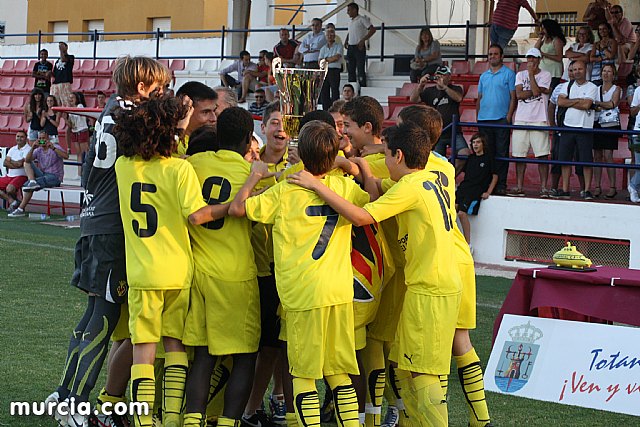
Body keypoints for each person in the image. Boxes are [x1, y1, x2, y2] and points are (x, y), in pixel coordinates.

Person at [287, 122, 462, 427]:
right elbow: (374, 188)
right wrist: (358, 167)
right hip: (439, 282)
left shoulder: (409, 188)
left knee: (424, 373)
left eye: (387, 157)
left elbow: (360, 216)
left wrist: (318, 185)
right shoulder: (428, 179)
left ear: (398, 155)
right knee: (411, 369)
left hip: (429, 287)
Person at [42, 56, 173, 427]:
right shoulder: (134, 116)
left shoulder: (110, 111)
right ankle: (76, 405)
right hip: (111, 227)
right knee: (104, 316)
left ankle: (65, 392)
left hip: (93, 219)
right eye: (159, 87)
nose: (163, 94)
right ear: (144, 87)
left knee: (92, 314)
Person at [230, 120, 365, 427]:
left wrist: (252, 179)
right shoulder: (343, 187)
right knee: (338, 372)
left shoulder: (286, 191)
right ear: (332, 157)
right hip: (339, 293)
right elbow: (368, 202)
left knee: (303, 374)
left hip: (303, 295)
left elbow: (239, 209)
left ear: (300, 154)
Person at [113, 96, 229, 427]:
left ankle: (143, 419)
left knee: (144, 349)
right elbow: (196, 216)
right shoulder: (180, 168)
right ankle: (174, 417)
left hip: (142, 273)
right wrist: (231, 205)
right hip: (177, 271)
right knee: (175, 344)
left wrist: (172, 126)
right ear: (172, 135)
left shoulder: (124, 166)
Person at [182, 107, 261, 427]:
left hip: (197, 271)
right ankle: (229, 422)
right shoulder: (252, 175)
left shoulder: (193, 165)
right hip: (235, 275)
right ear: (247, 140)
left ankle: (191, 420)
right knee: (244, 356)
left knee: (203, 355)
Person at [410, 65, 469, 174]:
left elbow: (458, 98)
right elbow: (413, 99)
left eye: (443, 75)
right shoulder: (429, 91)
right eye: (438, 75)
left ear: (449, 77)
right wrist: (420, 85)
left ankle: (451, 177)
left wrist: (445, 87)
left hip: (454, 131)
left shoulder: (456, 88)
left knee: (464, 153)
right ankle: (440, 181)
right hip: (437, 133)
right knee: (437, 161)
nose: (439, 77)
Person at [509, 47, 551, 197]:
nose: (531, 60)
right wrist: (534, 89)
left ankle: (544, 187)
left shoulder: (546, 74)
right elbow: (520, 94)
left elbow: (536, 92)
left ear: (539, 60)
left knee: (542, 155)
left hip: (539, 118)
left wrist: (532, 76)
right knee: (519, 155)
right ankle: (519, 186)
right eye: (529, 58)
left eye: (534, 58)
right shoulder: (520, 74)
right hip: (521, 118)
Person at [554, 60, 598, 200]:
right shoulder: (566, 85)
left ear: (585, 70)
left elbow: (587, 105)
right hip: (567, 125)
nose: (576, 72)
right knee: (565, 160)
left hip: (585, 128)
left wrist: (571, 101)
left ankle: (586, 190)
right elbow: (560, 102)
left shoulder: (592, 86)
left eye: (579, 69)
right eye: (574, 69)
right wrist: (579, 100)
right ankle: (565, 189)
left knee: (586, 160)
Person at [476, 44, 516, 195]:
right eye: (490, 54)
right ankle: (487, 183)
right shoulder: (483, 76)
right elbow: (479, 98)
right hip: (484, 120)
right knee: (487, 153)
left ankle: (501, 184)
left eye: (495, 54)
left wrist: (508, 117)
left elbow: (513, 97)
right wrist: (477, 117)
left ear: (501, 56)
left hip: (500, 120)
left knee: (501, 153)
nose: (492, 56)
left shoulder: (509, 74)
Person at [9, 130, 68, 217]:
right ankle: (32, 181)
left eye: (43, 138)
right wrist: (32, 148)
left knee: (28, 186)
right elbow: (28, 160)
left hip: (55, 176)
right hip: (43, 174)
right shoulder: (38, 150)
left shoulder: (55, 146)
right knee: (27, 163)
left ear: (47, 138)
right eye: (40, 138)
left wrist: (53, 148)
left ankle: (20, 209)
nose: (41, 140)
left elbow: (66, 156)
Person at [457, 132, 498, 246]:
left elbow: (495, 176)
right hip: (464, 188)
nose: (475, 145)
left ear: (483, 144)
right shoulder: (471, 158)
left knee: (461, 213)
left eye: (478, 142)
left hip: (476, 190)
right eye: (473, 142)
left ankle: (467, 244)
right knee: (449, 211)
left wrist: (488, 192)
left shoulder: (488, 158)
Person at [592, 63, 621, 198]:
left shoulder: (617, 88)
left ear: (613, 75)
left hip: (610, 124)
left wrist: (598, 104)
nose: (606, 73)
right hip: (597, 123)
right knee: (597, 155)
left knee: (608, 155)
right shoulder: (596, 89)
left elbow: (612, 104)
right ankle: (597, 186)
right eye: (604, 71)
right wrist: (602, 105)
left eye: (609, 71)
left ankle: (612, 186)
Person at [175, 81, 219, 156]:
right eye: (205, 112)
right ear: (185, 112)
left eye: (214, 111)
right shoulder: (173, 147)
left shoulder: (221, 143)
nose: (214, 118)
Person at [345, 2, 375, 87]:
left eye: (349, 10)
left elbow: (372, 29)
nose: (347, 12)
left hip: (359, 47)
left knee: (360, 69)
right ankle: (352, 88)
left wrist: (363, 40)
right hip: (351, 46)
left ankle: (362, 88)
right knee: (350, 69)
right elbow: (350, 31)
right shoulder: (350, 21)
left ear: (355, 10)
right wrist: (347, 40)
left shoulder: (362, 19)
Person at [0, 130, 30, 214]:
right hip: (9, 175)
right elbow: (5, 163)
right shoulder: (13, 149)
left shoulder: (28, 149)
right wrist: (15, 163)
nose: (19, 139)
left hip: (21, 175)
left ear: (26, 138)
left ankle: (15, 204)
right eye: (18, 136)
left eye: (21, 137)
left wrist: (11, 162)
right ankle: (13, 202)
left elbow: (21, 164)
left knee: (9, 189)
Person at [535, 19, 566, 91]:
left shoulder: (557, 40)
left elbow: (559, 57)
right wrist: (540, 38)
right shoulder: (544, 39)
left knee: (550, 91)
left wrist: (544, 54)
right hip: (543, 69)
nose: (542, 30)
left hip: (553, 72)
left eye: (543, 28)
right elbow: (535, 50)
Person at [319, 27, 344, 110]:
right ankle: (325, 110)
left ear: (334, 35)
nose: (329, 35)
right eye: (328, 34)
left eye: (331, 33)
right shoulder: (323, 48)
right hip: (325, 71)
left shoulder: (339, 46)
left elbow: (337, 57)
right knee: (324, 91)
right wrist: (329, 59)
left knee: (334, 90)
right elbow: (319, 61)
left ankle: (335, 109)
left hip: (334, 70)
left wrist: (325, 60)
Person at [67, 91, 91, 169]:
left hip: (82, 131)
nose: (71, 99)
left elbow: (78, 115)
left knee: (86, 152)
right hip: (75, 132)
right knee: (78, 153)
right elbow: (71, 125)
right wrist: (65, 118)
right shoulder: (70, 110)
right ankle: (79, 172)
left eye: (72, 98)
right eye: (70, 98)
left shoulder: (80, 106)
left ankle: (88, 169)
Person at [51, 41, 75, 107]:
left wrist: (62, 51)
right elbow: (55, 73)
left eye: (62, 45)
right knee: (55, 102)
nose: (60, 47)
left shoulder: (71, 57)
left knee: (67, 102)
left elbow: (64, 59)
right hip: (56, 83)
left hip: (65, 83)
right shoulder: (57, 61)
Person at [628, 84, 640, 203]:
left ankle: (633, 186)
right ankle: (633, 186)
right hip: (638, 132)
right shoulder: (638, 90)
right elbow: (632, 112)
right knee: (639, 164)